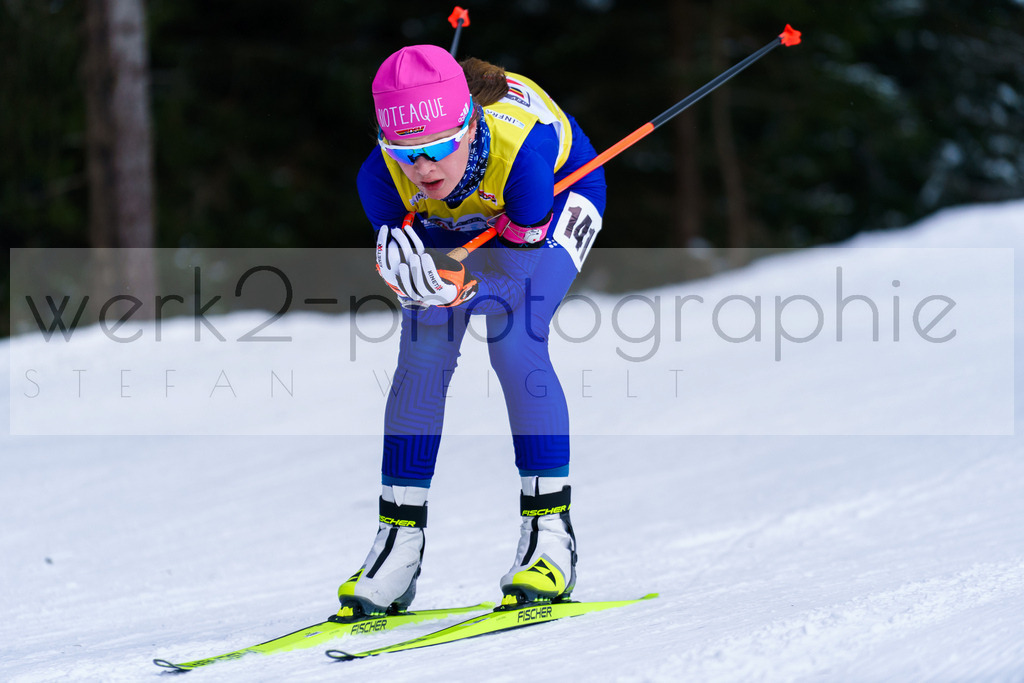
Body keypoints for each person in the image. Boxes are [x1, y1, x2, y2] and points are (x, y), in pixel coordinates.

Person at [338, 44, 606, 616]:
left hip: (557, 194)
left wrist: (460, 291)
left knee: (515, 339)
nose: (423, 168)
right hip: (457, 216)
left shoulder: (525, 156)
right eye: (405, 152)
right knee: (423, 350)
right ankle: (397, 543)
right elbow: (409, 262)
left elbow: (510, 283)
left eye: (438, 148)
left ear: (468, 126)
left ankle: (550, 539)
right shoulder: (380, 178)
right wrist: (410, 280)